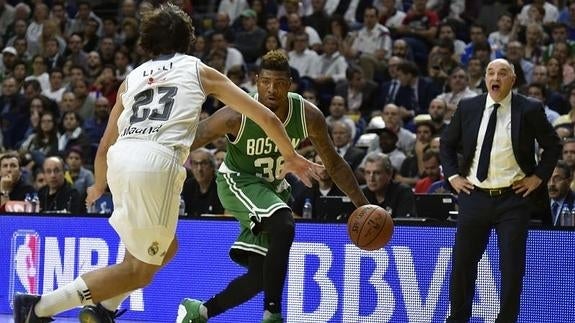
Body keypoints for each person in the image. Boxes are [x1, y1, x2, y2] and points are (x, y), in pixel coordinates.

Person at [13, 5, 320, 323]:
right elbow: (266, 116)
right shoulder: (198, 70)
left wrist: (98, 185)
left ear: (148, 41)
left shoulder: (131, 79)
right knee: (138, 271)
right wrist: (291, 155)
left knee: (166, 248)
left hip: (122, 159)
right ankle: (38, 309)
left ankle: (103, 309)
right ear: (188, 39)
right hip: (156, 164)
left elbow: (104, 146)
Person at [178, 50, 368, 323]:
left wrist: (364, 205)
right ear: (256, 81)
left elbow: (335, 164)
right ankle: (273, 312)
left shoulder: (308, 115)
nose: (272, 89)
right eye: (266, 81)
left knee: (259, 276)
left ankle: (199, 312)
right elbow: (190, 140)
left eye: (279, 83)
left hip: (270, 191)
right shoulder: (236, 115)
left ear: (289, 84)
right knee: (284, 222)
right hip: (236, 182)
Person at [440, 58, 561, 323]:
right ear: (485, 78)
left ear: (512, 80)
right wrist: (453, 177)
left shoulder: (529, 109)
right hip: (474, 196)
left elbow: (553, 146)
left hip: (513, 198)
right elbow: (446, 145)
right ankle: (458, 319)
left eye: (503, 73)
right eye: (491, 73)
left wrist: (537, 179)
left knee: (511, 268)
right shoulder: (469, 106)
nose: (496, 77)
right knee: (462, 266)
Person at [548, 160, 575, 226]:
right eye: (548, 178)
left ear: (569, 181)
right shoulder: (538, 204)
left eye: (557, 179)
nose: (551, 184)